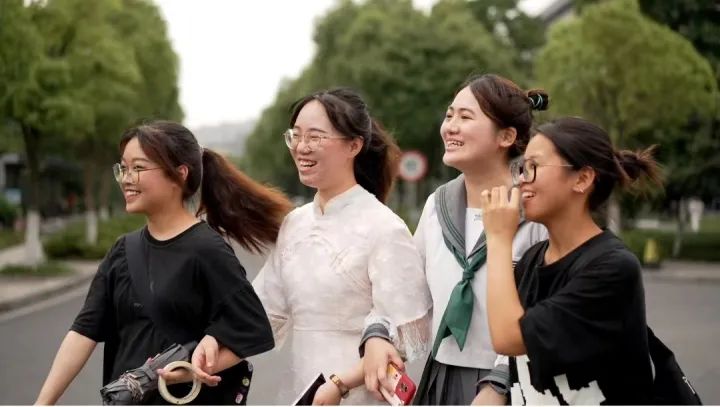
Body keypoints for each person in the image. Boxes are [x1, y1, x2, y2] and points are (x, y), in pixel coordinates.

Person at [35, 120, 291, 405]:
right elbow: (83, 332)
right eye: (123, 168)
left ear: (179, 174)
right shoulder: (122, 250)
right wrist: (43, 403)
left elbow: (252, 328)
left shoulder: (207, 250)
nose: (126, 178)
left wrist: (191, 370)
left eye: (138, 168)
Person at [359, 74, 549, 405]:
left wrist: (500, 384)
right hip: (441, 380)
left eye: (465, 117)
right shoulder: (438, 205)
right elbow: (408, 293)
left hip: (513, 384)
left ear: (506, 136)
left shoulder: (535, 210)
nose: (451, 127)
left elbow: (548, 315)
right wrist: (378, 335)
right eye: (449, 116)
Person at [252, 88, 433, 405]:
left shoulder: (384, 227)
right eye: (296, 136)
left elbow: (401, 334)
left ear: (354, 145)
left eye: (315, 137)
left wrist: (339, 385)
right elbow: (260, 311)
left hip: (359, 394)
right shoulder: (294, 223)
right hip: (301, 391)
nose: (302, 147)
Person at [480, 117, 661, 404]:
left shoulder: (612, 268)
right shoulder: (532, 259)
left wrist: (499, 238)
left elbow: (508, 337)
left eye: (534, 167)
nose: (522, 179)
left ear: (582, 179)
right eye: (522, 168)